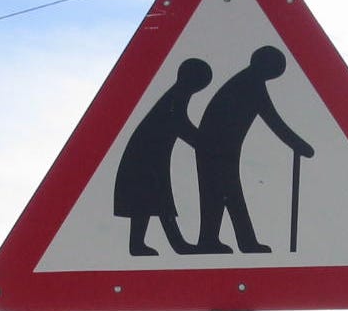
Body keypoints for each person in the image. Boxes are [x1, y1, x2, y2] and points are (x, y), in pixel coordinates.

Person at [194, 46, 314, 254]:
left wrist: (299, 145)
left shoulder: (246, 81)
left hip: (220, 149)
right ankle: (231, 241)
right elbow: (274, 122)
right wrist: (298, 145)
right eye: (276, 68)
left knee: (223, 194)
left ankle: (216, 240)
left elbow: (273, 121)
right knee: (224, 193)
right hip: (217, 149)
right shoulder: (251, 84)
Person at [113, 58, 213, 256]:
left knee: (149, 201)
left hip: (149, 157)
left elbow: (179, 123)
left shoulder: (177, 94)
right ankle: (173, 244)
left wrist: (201, 141)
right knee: (155, 200)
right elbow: (179, 123)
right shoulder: (176, 97)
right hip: (145, 159)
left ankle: (145, 244)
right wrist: (205, 143)